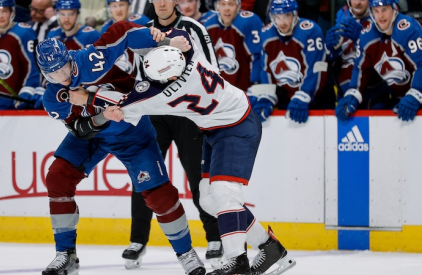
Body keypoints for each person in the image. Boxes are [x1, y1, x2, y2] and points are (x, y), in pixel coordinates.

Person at [69, 28, 297, 275]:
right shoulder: (191, 52)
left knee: (224, 192)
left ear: (166, 78)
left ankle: (237, 261)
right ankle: (270, 248)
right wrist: (164, 38)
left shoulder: (155, 97)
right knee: (209, 200)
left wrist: (88, 99)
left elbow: (121, 104)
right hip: (219, 126)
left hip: (236, 127)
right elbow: (180, 38)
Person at [35, 23, 207, 275]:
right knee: (57, 177)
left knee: (159, 195)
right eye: (52, 75)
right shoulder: (52, 98)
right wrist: (101, 115)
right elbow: (80, 129)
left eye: (63, 69)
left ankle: (186, 253)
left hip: (132, 132)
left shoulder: (90, 59)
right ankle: (65, 254)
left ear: (69, 58)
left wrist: (161, 39)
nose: (61, 78)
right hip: (94, 135)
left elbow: (122, 32)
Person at [124, 0, 223, 270]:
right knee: (144, 176)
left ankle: (215, 237)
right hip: (154, 116)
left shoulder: (194, 28)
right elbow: (134, 75)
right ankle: (138, 240)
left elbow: (213, 70)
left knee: (198, 177)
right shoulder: (141, 32)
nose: (163, 2)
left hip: (187, 115)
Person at [335, 0, 422, 121]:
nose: (380, 16)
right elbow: (361, 69)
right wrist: (352, 94)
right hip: (402, 102)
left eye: (384, 10)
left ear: (394, 8)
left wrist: (416, 94)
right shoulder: (367, 35)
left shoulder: (408, 29)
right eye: (376, 11)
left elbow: (421, 64)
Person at [254, 0, 328, 123]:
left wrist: (304, 95)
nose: (282, 22)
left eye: (286, 16)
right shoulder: (266, 35)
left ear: (295, 14)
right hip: (285, 98)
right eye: (277, 17)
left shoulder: (311, 31)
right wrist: (267, 95)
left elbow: (316, 68)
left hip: (316, 98)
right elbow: (265, 70)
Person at [204, 0, 263, 93]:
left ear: (238, 6)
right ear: (217, 7)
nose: (227, 8)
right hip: (218, 91)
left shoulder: (248, 22)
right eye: (223, 4)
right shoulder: (209, 26)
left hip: (245, 91)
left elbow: (256, 57)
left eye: (231, 4)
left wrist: (255, 85)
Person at [324, 0, 371, 95]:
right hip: (343, 89)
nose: (357, 3)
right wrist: (330, 51)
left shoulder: (381, 16)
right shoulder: (341, 15)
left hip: (372, 90)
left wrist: (363, 41)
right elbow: (332, 63)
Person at [100, 0, 149, 75]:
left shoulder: (141, 21)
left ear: (129, 6)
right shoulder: (105, 28)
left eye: (122, 5)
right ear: (109, 8)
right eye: (114, 6)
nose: (118, 10)